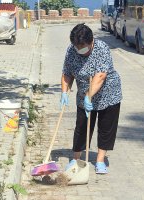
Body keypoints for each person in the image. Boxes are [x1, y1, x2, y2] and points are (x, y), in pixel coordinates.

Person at [60, 23, 122, 174]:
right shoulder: (72, 50)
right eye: (77, 46)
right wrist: (64, 91)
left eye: (83, 47)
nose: (79, 50)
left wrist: (89, 97)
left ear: (91, 41)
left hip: (108, 94)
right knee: (81, 127)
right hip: (84, 94)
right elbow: (67, 72)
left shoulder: (101, 48)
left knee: (106, 128)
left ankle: (100, 161)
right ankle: (76, 158)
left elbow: (100, 75)